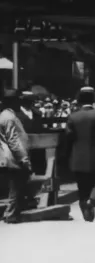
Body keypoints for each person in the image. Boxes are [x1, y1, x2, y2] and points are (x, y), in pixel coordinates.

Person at [65, 86, 95, 222]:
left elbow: (68, 140)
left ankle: (85, 205)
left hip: (78, 159)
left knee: (82, 186)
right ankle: (93, 200)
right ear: (93, 99)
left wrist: (67, 157)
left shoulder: (73, 117)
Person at [0, 89, 32, 223]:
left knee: (15, 186)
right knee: (16, 186)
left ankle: (13, 211)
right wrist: (23, 158)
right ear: (12, 101)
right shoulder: (9, 117)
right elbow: (13, 140)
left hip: (8, 155)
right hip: (12, 157)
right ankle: (11, 214)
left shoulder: (5, 115)